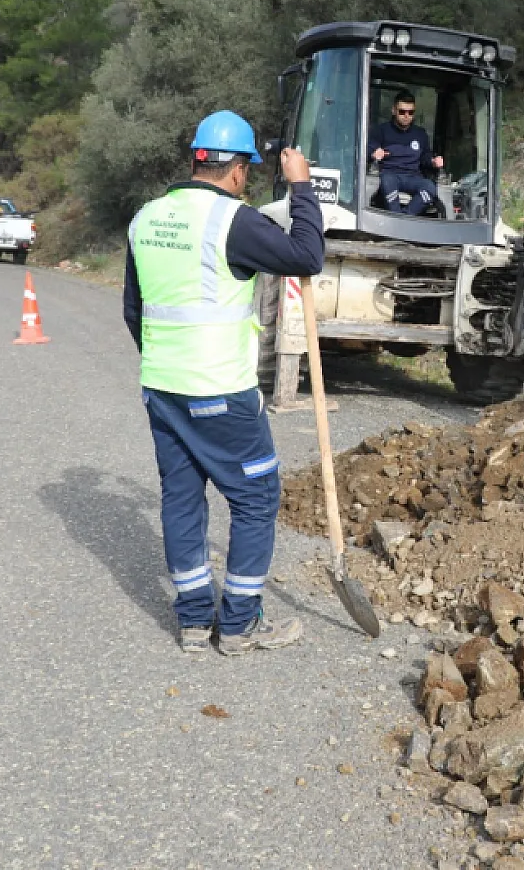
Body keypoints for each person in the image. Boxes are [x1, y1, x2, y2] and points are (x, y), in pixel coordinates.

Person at [123, 110, 325, 655]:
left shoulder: (146, 218)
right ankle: (238, 624)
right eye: (248, 172)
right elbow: (308, 257)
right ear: (236, 170)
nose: (247, 181)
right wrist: (301, 187)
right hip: (219, 391)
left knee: (182, 498)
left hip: (162, 388)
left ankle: (192, 621)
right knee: (256, 497)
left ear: (196, 159)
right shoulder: (231, 220)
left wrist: (170, 363)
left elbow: (132, 310)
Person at [368, 91, 444, 216]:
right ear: (394, 111)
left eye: (410, 112)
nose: (406, 115)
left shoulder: (420, 134)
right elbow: (369, 149)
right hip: (390, 174)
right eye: (402, 112)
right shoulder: (381, 130)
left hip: (413, 177)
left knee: (430, 187)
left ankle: (406, 216)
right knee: (387, 182)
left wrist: (433, 161)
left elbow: (425, 156)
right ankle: (396, 216)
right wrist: (374, 153)